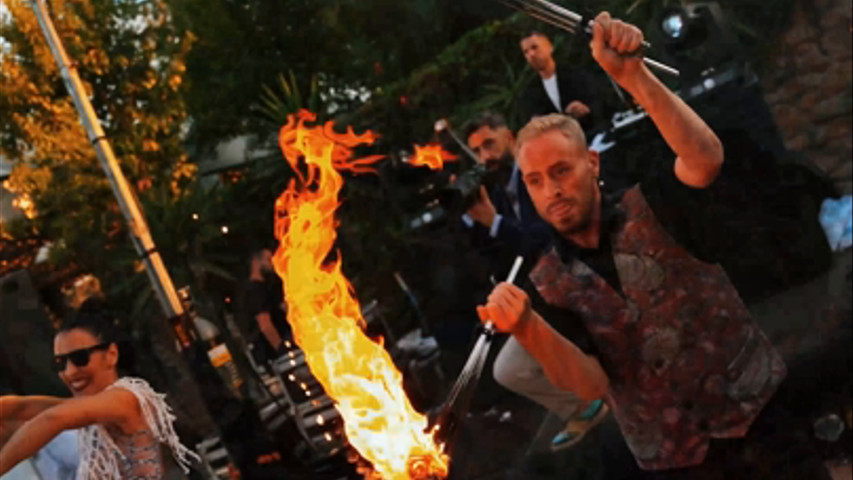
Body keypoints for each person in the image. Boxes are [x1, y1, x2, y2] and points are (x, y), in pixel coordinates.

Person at [476, 12, 827, 478]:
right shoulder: (548, 278)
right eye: (537, 181)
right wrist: (527, 328)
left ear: (592, 163)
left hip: (760, 423)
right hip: (674, 461)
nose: (551, 190)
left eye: (561, 170)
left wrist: (632, 75)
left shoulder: (652, 202)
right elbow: (589, 382)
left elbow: (704, 159)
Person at [463, 111, 609, 450]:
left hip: (582, 282)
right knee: (506, 369)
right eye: (477, 151)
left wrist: (496, 223)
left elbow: (549, 239)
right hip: (542, 296)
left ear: (510, 139)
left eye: (489, 144)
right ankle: (585, 406)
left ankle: (607, 398)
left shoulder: (546, 173)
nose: (485, 156)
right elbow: (497, 255)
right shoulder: (495, 191)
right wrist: (473, 222)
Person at [0, 300, 198, 478]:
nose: (69, 372)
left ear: (111, 354)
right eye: (61, 364)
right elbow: (22, 407)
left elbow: (53, 418)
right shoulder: (95, 411)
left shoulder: (126, 398)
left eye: (80, 359)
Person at [518, 31, 600, 132]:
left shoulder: (576, 75)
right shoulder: (530, 93)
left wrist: (585, 109)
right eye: (526, 52)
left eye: (535, 47)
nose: (531, 54)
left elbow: (599, 102)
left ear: (550, 47)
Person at [236, 247, 291, 364]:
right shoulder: (255, 290)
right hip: (273, 355)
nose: (272, 264)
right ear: (256, 261)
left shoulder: (266, 287)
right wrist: (282, 350)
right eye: (268, 260)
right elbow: (265, 324)